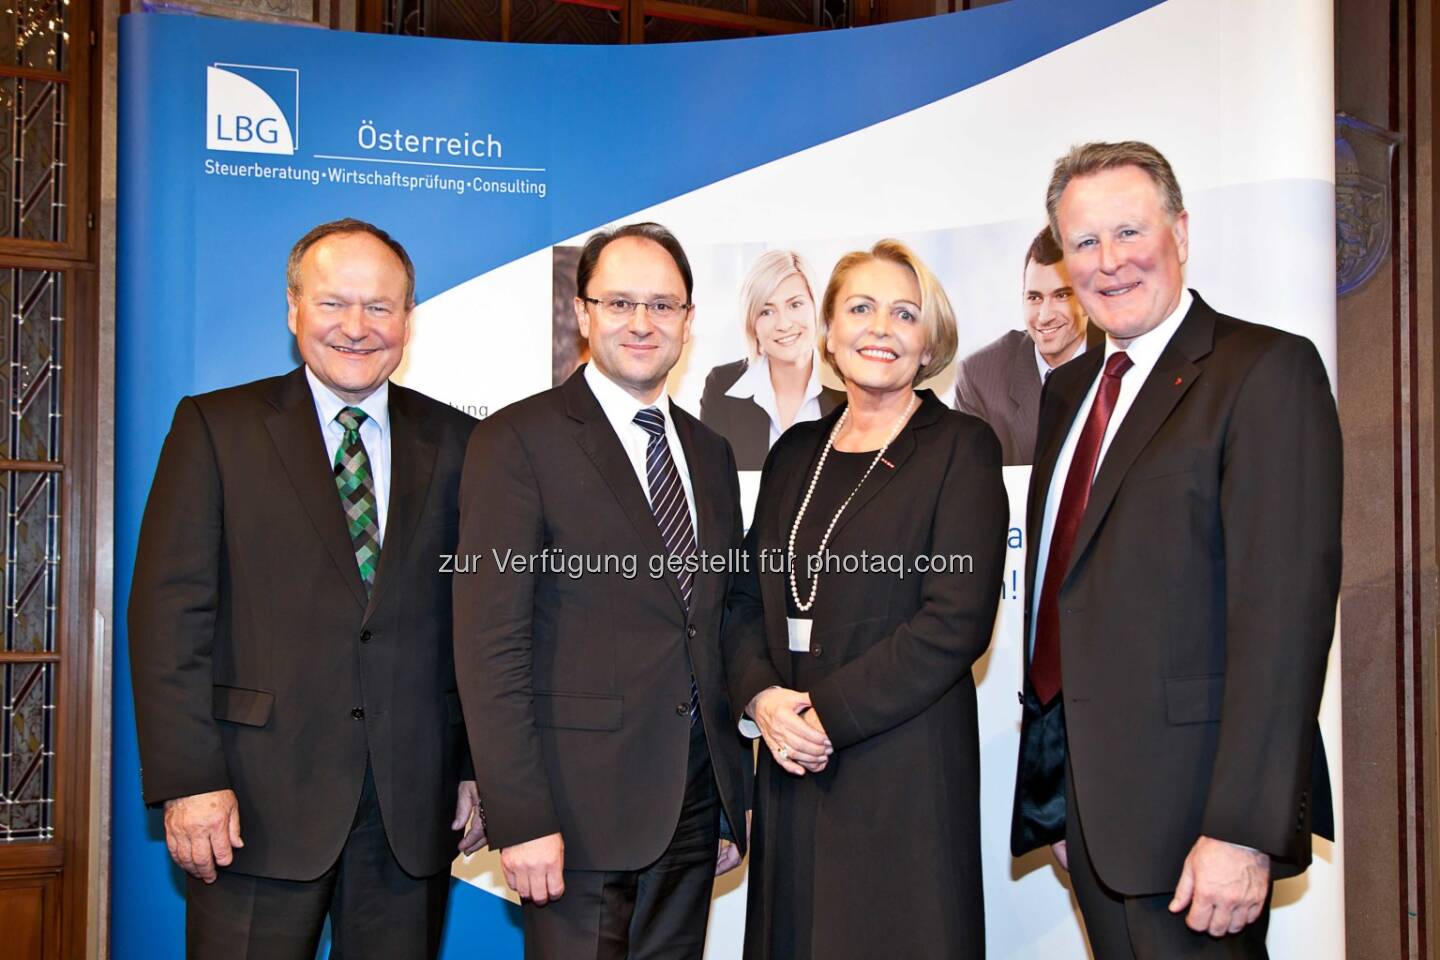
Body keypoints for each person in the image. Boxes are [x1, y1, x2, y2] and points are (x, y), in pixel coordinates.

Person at [1009, 141, 1342, 959]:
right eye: (1084, 243)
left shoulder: (1265, 370)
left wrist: (1242, 831)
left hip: (1200, 829)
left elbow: (1282, 618)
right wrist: (1059, 800)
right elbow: (1068, 598)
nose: (1109, 262)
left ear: (1181, 232)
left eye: (1129, 232)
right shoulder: (1066, 391)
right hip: (1090, 817)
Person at [129, 218, 484, 959]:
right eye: (333, 304)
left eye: (380, 307)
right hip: (250, 805)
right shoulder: (215, 429)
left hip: (411, 810)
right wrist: (189, 779)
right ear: (293, 310)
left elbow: (478, 623)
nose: (357, 328)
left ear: (408, 320)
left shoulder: (461, 444)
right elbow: (168, 615)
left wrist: (476, 769)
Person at [454, 222, 753, 960]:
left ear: (688, 321)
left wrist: (726, 802)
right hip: (571, 815)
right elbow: (491, 645)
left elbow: (717, 621)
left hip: (691, 806)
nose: (642, 323)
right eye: (619, 302)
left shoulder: (712, 453)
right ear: (583, 314)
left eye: (663, 305)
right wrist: (519, 815)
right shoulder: (516, 440)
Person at [725, 239, 1007, 959]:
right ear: (829, 331)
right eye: (861, 308)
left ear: (929, 339)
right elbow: (741, 597)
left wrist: (824, 715)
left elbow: (954, 623)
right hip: (792, 765)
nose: (880, 328)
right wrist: (762, 700)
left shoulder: (961, 448)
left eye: (904, 313)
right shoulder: (796, 452)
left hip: (902, 770)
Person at [952, 226, 1101, 465]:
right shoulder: (979, 377)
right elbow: (970, 485)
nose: (1044, 316)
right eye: (1034, 297)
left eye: (1061, 295)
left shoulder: (1124, 356)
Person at [700, 249, 844, 469]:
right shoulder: (722, 385)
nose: (783, 324)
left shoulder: (847, 387)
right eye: (766, 311)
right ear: (752, 322)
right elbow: (710, 480)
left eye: (795, 305)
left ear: (816, 306)